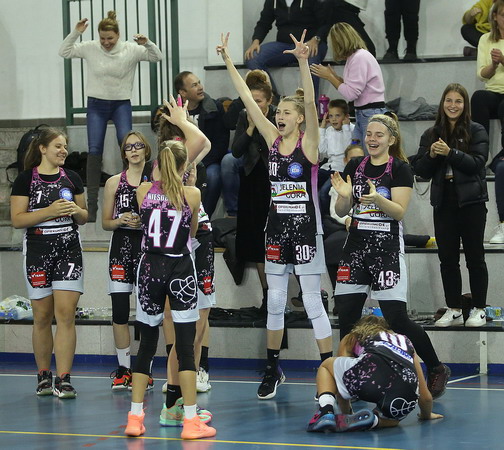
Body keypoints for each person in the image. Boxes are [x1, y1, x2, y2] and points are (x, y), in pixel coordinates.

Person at [218, 30, 333, 400]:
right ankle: (272, 369)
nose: (278, 116)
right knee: (276, 302)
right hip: (277, 232)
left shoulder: (309, 143)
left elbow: (311, 102)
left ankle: (328, 369)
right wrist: (228, 62)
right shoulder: (271, 139)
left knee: (312, 301)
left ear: (298, 119)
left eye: (285, 112)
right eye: (277, 112)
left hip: (307, 232)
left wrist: (302, 61)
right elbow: (246, 100)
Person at [332, 113, 451, 399]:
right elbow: (340, 211)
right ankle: (352, 378)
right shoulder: (354, 165)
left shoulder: (400, 169)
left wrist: (377, 199)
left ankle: (436, 367)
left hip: (386, 249)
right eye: (368, 134)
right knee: (347, 317)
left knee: (397, 318)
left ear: (391, 140)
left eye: (379, 135)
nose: (372, 139)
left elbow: (398, 212)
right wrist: (346, 196)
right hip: (356, 248)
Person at [124, 140, 216, 440]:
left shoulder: (142, 191)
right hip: (180, 268)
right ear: (184, 166)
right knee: (185, 347)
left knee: (146, 346)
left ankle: (135, 418)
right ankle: (190, 420)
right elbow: (192, 233)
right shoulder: (192, 194)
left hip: (150, 268)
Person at [59, 11, 162, 222]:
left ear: (118, 35)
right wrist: (76, 32)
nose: (106, 42)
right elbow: (64, 51)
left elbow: (156, 57)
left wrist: (147, 43)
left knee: (128, 145)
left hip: (121, 103)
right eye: (102, 38)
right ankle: (92, 208)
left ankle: (130, 194)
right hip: (96, 103)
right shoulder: (90, 47)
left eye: (110, 38)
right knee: (94, 150)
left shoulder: (130, 49)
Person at [10, 128, 88, 398]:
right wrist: (49, 211)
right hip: (38, 251)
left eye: (65, 146)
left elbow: (84, 216)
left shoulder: (72, 178)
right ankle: (43, 374)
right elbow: (17, 219)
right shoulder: (25, 179)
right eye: (58, 146)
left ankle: (64, 378)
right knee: (42, 316)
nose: (63, 150)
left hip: (68, 250)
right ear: (42, 149)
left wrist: (76, 211)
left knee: (66, 315)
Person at [413, 83, 489, 328]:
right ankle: (454, 307)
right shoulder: (431, 133)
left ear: (465, 105)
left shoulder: (476, 130)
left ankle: (479, 308)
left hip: (472, 202)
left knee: (475, 258)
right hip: (443, 202)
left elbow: (477, 163)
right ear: (442, 103)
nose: (453, 105)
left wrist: (450, 153)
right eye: (449, 100)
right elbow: (421, 169)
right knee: (447, 259)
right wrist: (431, 155)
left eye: (458, 101)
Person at [307, 315, 443, 432]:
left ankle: (325, 411)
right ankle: (374, 421)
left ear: (359, 327)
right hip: (405, 395)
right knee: (393, 420)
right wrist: (426, 415)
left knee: (327, 365)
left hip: (371, 375)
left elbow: (341, 380)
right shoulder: (405, 341)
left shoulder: (354, 336)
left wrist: (346, 414)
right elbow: (425, 396)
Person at [102, 131, 153, 390]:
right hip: (121, 248)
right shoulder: (114, 182)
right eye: (128, 147)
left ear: (146, 150)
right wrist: (119, 220)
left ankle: (144, 370)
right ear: (124, 153)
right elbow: (105, 222)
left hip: (148, 249)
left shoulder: (156, 181)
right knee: (120, 311)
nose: (133, 150)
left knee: (147, 314)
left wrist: (144, 222)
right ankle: (124, 369)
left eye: (138, 145)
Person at [231, 70, 276, 314]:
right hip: (251, 181)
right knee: (257, 243)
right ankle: (267, 294)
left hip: (274, 181)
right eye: (251, 100)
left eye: (258, 101)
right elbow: (236, 151)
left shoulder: (280, 114)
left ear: (269, 101)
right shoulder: (243, 115)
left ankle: (282, 294)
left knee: (275, 239)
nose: (254, 105)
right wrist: (249, 127)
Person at [310, 22, 386, 147]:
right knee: (354, 152)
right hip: (364, 113)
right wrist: (334, 77)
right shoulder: (355, 57)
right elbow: (351, 86)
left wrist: (330, 77)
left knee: (367, 154)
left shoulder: (359, 58)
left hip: (370, 114)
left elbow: (351, 94)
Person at [244, 0, 331, 98]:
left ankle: (311, 103)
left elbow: (326, 22)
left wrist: (316, 38)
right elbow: (264, 23)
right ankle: (271, 98)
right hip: (284, 44)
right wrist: (256, 41)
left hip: (309, 43)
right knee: (253, 57)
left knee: (312, 63)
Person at [174, 71, 229, 218]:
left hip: (209, 161)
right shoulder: (175, 113)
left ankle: (203, 218)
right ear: (183, 92)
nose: (200, 87)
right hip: (182, 162)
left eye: (199, 83)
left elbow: (221, 143)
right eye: (194, 85)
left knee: (213, 176)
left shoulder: (214, 108)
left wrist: (200, 163)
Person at [471, 0, 504, 243]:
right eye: (502, 15)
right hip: (493, 89)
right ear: (495, 17)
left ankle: (501, 156)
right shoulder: (486, 39)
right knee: (478, 97)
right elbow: (482, 74)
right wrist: (493, 64)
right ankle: (479, 155)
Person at [318, 99, 354, 215]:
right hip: (328, 167)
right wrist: (322, 127)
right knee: (311, 182)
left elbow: (348, 148)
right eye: (331, 116)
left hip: (341, 169)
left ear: (346, 116)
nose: (333, 119)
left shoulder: (352, 129)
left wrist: (346, 127)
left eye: (337, 115)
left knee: (323, 193)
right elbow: (322, 150)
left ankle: (326, 218)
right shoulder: (329, 130)